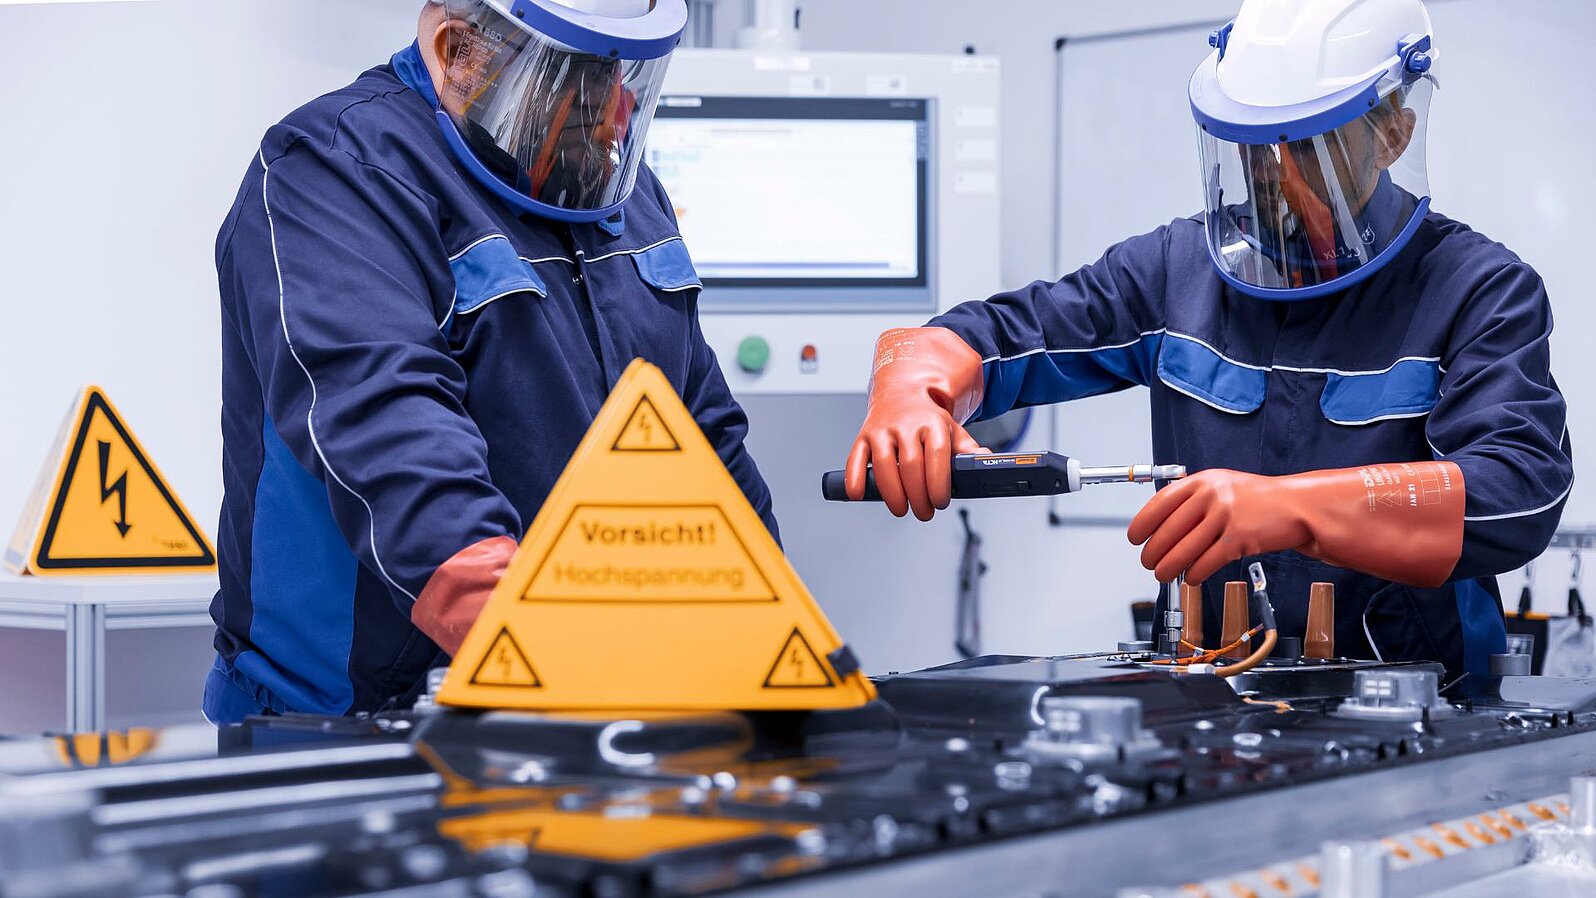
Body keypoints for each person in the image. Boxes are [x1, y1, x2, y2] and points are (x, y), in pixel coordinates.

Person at [845, 0, 1572, 677]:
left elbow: (1517, 496)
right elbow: (997, 337)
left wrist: (1293, 509)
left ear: (1393, 133)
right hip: (1216, 697)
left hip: (1425, 710)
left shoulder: (1478, 290)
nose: (1274, 179)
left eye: (1309, 151)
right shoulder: (1174, 271)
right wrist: (911, 383)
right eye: (1252, 150)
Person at [205, 0, 776, 722]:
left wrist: (766, 642)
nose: (610, 119)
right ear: (457, 50)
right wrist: (523, 640)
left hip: (584, 706)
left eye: (619, 77)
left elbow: (703, 441)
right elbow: (391, 430)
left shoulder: (630, 199)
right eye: (571, 82)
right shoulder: (335, 169)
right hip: (348, 729)